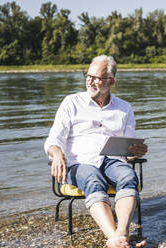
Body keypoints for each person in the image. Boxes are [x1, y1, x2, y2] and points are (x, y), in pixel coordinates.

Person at [44, 55, 147, 248]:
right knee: (93, 179)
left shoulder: (124, 108)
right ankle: (113, 239)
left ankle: (121, 233)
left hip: (113, 161)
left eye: (96, 78)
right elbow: (53, 140)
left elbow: (128, 154)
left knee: (128, 175)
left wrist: (135, 151)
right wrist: (57, 153)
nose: (90, 81)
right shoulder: (71, 103)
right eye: (88, 76)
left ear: (111, 82)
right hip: (80, 163)